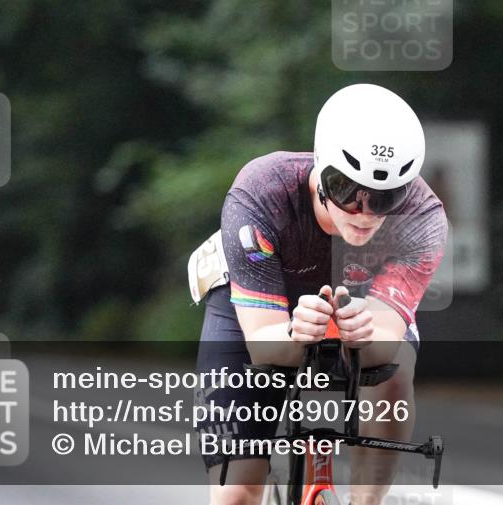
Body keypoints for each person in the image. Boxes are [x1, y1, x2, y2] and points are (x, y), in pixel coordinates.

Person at [192, 83, 448, 505]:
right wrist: (294, 333)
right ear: (320, 172)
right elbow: (263, 346)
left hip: (358, 304)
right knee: (236, 491)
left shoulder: (422, 216)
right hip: (260, 306)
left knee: (394, 371)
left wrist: (365, 334)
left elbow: (383, 342)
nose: (365, 214)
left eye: (385, 198)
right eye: (348, 191)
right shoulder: (263, 191)